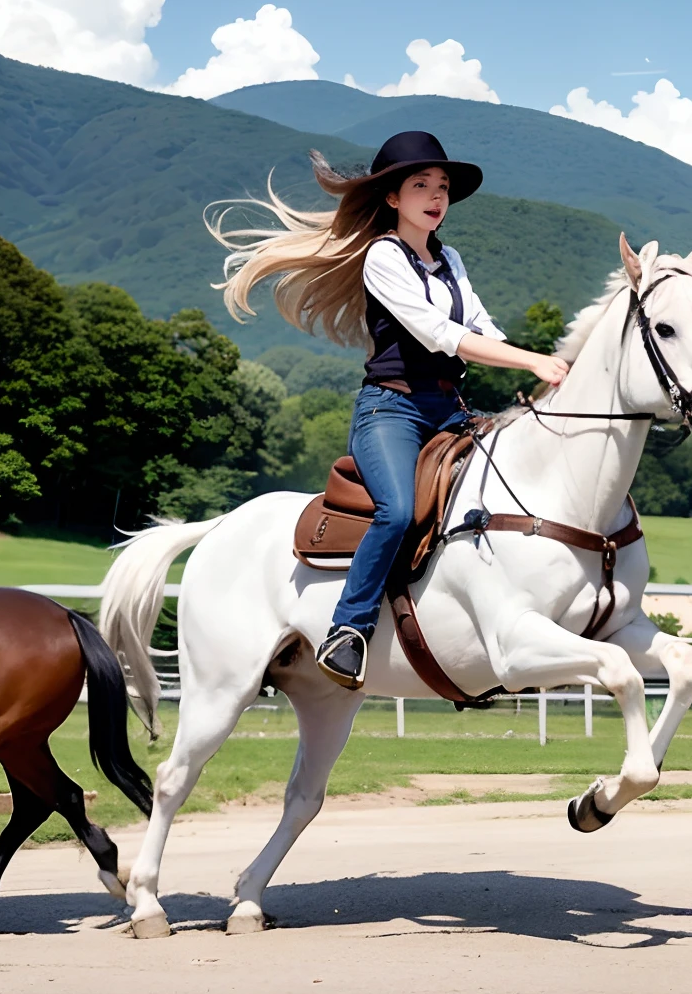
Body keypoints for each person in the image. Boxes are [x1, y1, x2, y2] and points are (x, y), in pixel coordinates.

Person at [214, 132, 569, 688]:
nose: (436, 197)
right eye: (421, 185)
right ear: (392, 199)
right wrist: (530, 362)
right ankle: (347, 630)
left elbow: (480, 326)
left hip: (450, 410)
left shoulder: (449, 257)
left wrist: (548, 365)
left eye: (443, 188)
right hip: (391, 412)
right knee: (398, 512)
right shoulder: (382, 256)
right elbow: (439, 333)